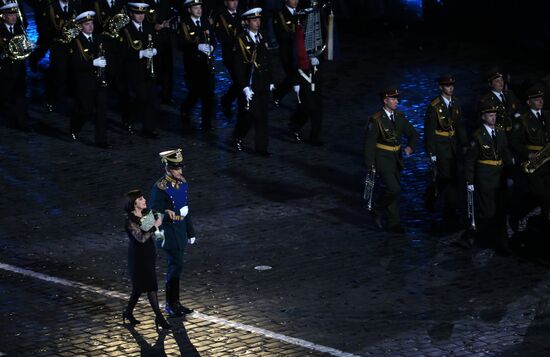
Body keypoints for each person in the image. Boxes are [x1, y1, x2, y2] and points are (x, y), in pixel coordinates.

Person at [364, 88, 419, 234]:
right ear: (385, 101)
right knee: (394, 188)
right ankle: (376, 208)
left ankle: (393, 223)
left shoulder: (399, 117)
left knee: (394, 191)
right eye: (393, 99)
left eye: (397, 99)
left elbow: (413, 133)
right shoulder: (376, 120)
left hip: (397, 158)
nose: (397, 101)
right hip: (382, 158)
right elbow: (369, 145)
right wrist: (370, 166)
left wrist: (410, 147)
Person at [150, 149, 196, 318]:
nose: (180, 171)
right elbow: (153, 213)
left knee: (178, 267)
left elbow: (186, 209)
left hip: (180, 232)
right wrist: (166, 213)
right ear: (168, 169)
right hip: (168, 234)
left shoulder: (183, 183)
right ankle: (171, 304)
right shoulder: (160, 188)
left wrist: (190, 231)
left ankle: (175, 302)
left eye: (181, 168)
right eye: (176, 169)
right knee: (175, 266)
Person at [465, 105, 514, 253]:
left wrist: (511, 174)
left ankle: (500, 241)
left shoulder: (500, 132)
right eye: (490, 115)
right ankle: (487, 238)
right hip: (485, 177)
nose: (493, 117)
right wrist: (470, 181)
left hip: (500, 176)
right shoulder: (478, 136)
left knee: (501, 210)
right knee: (489, 211)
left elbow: (505, 153)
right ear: (483, 117)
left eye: (494, 115)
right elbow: (470, 161)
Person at [423, 75, 468, 229]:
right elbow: (429, 131)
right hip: (441, 147)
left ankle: (434, 194)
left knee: (452, 177)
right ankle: (449, 210)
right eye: (447, 86)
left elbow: (460, 125)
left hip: (454, 146)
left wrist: (465, 144)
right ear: (441, 87)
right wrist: (431, 152)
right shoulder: (434, 106)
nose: (451, 88)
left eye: (452, 85)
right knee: (448, 178)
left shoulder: (456, 102)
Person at [123, 189, 171, 330]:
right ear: (133, 203)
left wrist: (160, 221)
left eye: (143, 198)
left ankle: (127, 312)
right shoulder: (130, 221)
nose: (144, 200)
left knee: (138, 289)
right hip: (138, 257)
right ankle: (160, 318)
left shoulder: (146, 214)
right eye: (140, 199)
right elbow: (141, 238)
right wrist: (154, 226)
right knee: (151, 287)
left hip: (149, 254)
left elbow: (154, 231)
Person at [232, 7, 275, 156]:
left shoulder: (262, 36)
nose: (258, 23)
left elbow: (269, 60)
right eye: (254, 20)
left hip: (263, 82)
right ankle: (238, 135)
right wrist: (244, 86)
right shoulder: (241, 40)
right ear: (247, 22)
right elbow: (238, 65)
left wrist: (271, 80)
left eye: (259, 20)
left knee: (263, 116)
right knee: (251, 115)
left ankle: (261, 148)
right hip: (250, 84)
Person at [509, 86, 550, 240]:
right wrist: (528, 153)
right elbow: (514, 141)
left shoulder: (548, 115)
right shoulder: (523, 119)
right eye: (536, 99)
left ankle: (545, 224)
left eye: (541, 98)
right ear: (529, 102)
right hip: (535, 163)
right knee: (538, 193)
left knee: (548, 195)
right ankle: (517, 213)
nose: (540, 101)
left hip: (549, 161)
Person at [69, 11, 110, 147]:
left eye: (92, 23)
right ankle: (75, 127)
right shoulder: (76, 42)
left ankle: (101, 140)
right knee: (85, 110)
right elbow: (74, 64)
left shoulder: (99, 39)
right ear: (80, 26)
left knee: (102, 110)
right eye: (87, 24)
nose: (90, 27)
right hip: (84, 82)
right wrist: (93, 63)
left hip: (99, 80)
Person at [177, 0, 217, 131]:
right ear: (189, 10)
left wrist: (212, 47)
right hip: (193, 64)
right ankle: (186, 108)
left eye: (200, 7)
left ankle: (207, 123)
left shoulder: (205, 21)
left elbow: (213, 39)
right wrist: (197, 46)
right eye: (195, 8)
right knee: (196, 91)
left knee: (208, 93)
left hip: (206, 63)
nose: (199, 10)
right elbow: (181, 44)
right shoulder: (184, 24)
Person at [121, 2, 159, 138]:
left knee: (151, 99)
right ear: (131, 14)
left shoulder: (148, 28)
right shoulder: (125, 30)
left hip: (148, 69)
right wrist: (140, 54)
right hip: (133, 70)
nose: (141, 16)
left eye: (143, 13)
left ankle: (149, 129)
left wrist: (155, 50)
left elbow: (155, 42)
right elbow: (122, 52)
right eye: (138, 13)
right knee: (140, 98)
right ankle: (129, 119)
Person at [0, 2, 31, 132]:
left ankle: (22, 122)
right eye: (11, 15)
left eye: (14, 14)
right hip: (4, 70)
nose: (14, 17)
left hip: (19, 69)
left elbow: (24, 45)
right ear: (4, 16)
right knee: (7, 95)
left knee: (20, 96)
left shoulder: (19, 29)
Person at [213, 0, 242, 119]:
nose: (235, 3)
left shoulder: (242, 14)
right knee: (239, 80)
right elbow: (223, 37)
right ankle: (228, 101)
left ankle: (230, 101)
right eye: (231, 1)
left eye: (236, 0)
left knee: (241, 81)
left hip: (243, 54)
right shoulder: (221, 17)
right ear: (225, 3)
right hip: (230, 54)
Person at [478, 70, 521, 137]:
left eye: (501, 80)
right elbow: (485, 120)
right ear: (490, 84)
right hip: (499, 134)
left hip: (515, 131)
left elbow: (519, 108)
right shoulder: (486, 100)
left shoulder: (510, 94)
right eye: (497, 81)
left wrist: (517, 119)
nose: (501, 83)